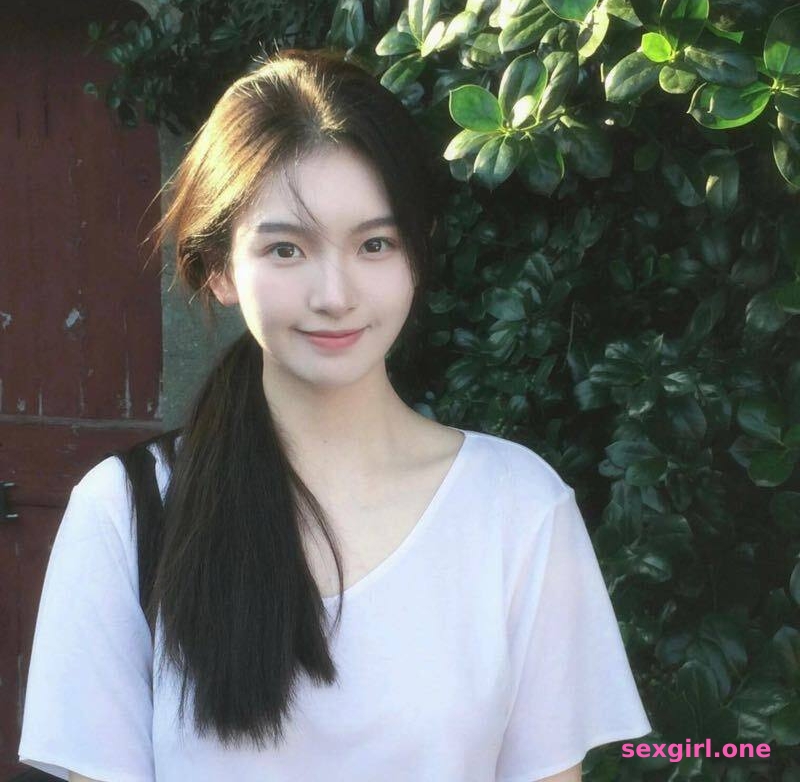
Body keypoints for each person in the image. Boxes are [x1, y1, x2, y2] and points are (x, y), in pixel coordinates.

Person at [17, 47, 652, 782]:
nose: (335, 295)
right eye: (286, 249)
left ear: (418, 254)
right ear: (219, 266)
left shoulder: (518, 508)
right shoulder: (126, 512)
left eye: (374, 244)